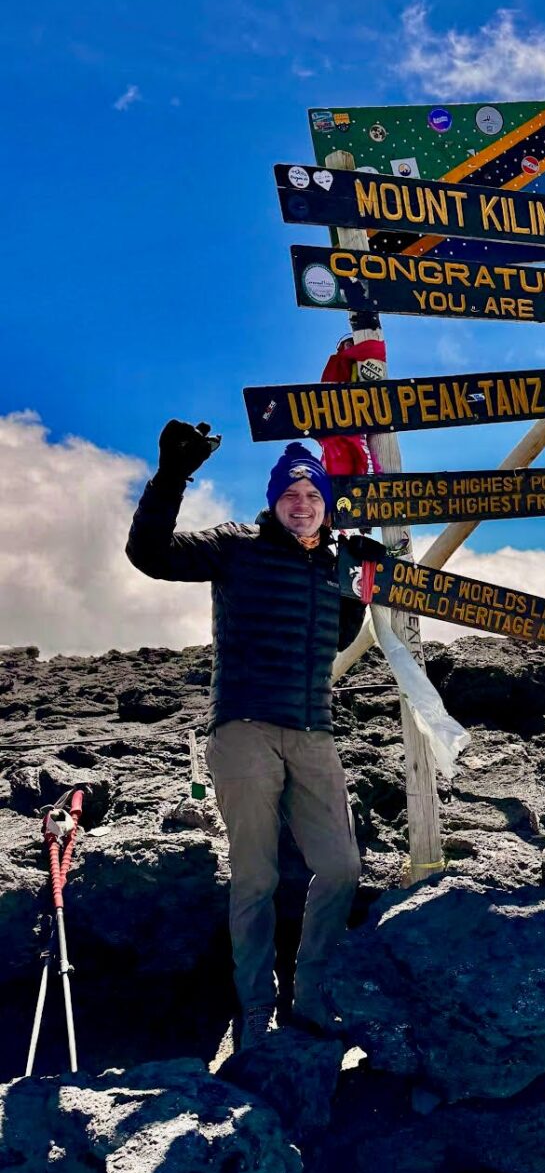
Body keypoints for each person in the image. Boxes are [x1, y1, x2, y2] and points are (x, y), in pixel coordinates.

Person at [126, 421, 366, 1048]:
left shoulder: (333, 563)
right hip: (244, 730)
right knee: (255, 877)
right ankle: (256, 1007)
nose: (302, 504)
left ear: (326, 504)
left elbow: (337, 640)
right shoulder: (236, 544)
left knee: (341, 868)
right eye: (290, 495)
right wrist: (173, 474)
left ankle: (310, 993)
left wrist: (359, 591)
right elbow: (149, 554)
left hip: (314, 731)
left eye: (313, 495)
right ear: (272, 501)